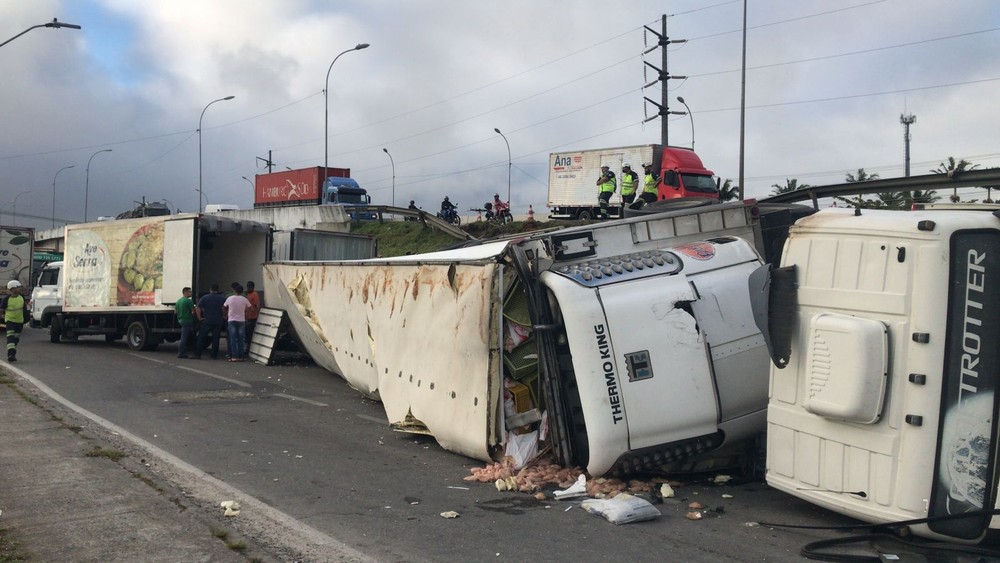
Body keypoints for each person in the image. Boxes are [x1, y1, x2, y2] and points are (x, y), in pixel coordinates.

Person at [194, 284, 226, 359]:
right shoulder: (222, 298)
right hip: (218, 321)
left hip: (207, 320)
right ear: (218, 290)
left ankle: (198, 354)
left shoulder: (205, 298)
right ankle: (214, 355)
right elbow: (225, 308)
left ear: (210, 289)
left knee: (201, 337)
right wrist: (224, 316)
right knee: (216, 338)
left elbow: (198, 308)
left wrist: (200, 317)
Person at [0, 280, 29, 363]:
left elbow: (25, 308)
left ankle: (12, 353)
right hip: (10, 321)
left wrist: (27, 318)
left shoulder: (21, 297)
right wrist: (2, 316)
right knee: (10, 337)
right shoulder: (6, 299)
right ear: (12, 289)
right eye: (18, 287)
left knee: (16, 339)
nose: (20, 289)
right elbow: (2, 309)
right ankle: (11, 355)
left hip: (19, 322)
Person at [223, 284, 252, 362]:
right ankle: (241, 356)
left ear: (234, 291)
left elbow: (224, 307)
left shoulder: (230, 298)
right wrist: (246, 314)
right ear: (242, 291)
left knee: (233, 339)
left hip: (231, 320)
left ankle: (234, 356)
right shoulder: (244, 299)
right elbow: (250, 308)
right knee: (241, 339)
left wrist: (226, 314)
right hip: (241, 320)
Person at [175, 287, 196, 359]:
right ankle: (181, 353)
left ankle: (184, 351)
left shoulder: (178, 301)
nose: (191, 293)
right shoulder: (189, 301)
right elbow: (193, 311)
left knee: (185, 336)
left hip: (180, 320)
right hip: (187, 320)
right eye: (190, 292)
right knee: (184, 337)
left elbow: (175, 312)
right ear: (185, 292)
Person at [244, 280, 261, 352]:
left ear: (252, 287)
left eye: (249, 287)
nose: (248, 288)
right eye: (247, 286)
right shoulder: (249, 294)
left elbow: (257, 305)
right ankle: (247, 348)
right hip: (248, 317)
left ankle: (248, 349)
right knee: (247, 334)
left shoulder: (254, 294)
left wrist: (255, 312)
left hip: (252, 317)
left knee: (250, 335)